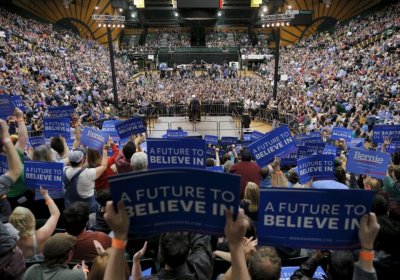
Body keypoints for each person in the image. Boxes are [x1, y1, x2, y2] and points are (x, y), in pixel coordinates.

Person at [8, 187, 60, 260]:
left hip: (18, 269)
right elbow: (55, 214)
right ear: (32, 219)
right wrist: (45, 195)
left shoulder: (7, 239)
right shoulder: (40, 236)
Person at [63, 144, 108, 213]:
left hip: (71, 208)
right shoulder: (89, 173)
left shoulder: (64, 170)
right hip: (88, 210)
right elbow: (104, 166)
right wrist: (105, 151)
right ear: (83, 160)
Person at [22, 233, 88, 280]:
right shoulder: (77, 275)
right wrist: (84, 272)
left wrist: (73, 273)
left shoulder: (32, 270)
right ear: (70, 254)